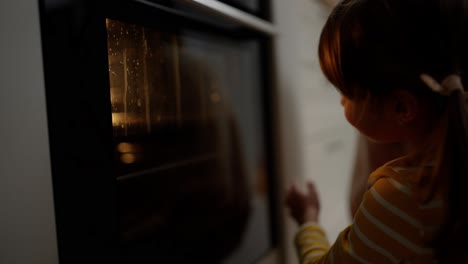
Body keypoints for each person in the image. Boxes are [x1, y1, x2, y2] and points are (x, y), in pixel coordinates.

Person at [285, 0, 468, 263]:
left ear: (402, 107)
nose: (340, 102)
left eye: (346, 93)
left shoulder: (398, 199)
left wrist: (308, 219)